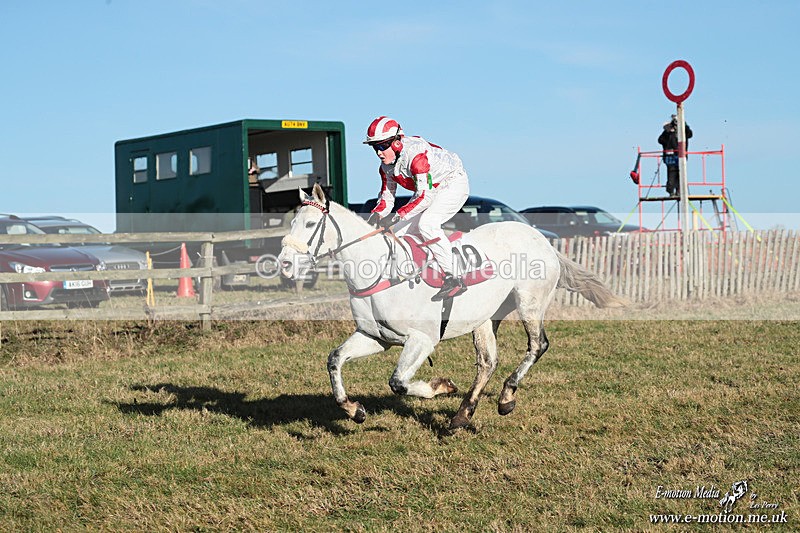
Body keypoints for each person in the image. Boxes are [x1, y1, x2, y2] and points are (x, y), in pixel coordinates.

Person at [364, 116, 470, 301]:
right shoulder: (385, 167)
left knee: (428, 224)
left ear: (397, 143)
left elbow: (424, 196)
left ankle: (454, 277)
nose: (379, 153)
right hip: (430, 188)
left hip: (452, 183)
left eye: (382, 146)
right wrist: (376, 215)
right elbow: (387, 198)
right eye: (375, 148)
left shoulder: (416, 157)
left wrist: (397, 215)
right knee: (397, 232)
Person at [658, 114, 693, 196]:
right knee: (672, 174)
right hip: (671, 157)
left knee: (681, 174)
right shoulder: (667, 134)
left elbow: (689, 134)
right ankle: (671, 191)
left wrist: (684, 124)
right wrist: (668, 131)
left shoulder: (683, 132)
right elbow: (660, 140)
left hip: (680, 156)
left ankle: (678, 191)